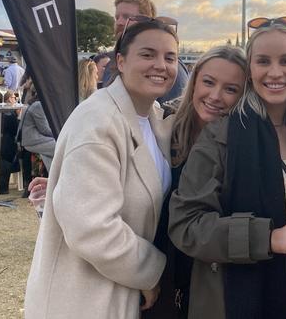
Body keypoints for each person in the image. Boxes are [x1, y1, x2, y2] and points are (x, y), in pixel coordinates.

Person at [168, 17, 286, 319]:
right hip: (234, 298)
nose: (275, 72)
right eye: (263, 61)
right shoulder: (221, 134)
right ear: (249, 71)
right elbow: (186, 225)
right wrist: (268, 238)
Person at [24, 19, 179, 318]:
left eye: (169, 57)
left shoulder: (152, 117)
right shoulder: (98, 120)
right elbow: (91, 226)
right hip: (84, 298)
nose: (161, 65)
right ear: (120, 61)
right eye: (148, 54)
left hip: (115, 291)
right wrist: (152, 271)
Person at [143, 45, 246, 319]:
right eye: (209, 82)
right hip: (155, 271)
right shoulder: (163, 128)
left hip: (207, 281)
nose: (215, 96)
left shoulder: (241, 148)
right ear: (195, 80)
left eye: (231, 89)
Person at [103, 0, 189, 101]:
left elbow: (173, 114)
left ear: (147, 22)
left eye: (127, 17)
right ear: (121, 62)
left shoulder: (170, 70)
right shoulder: (112, 62)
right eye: (117, 17)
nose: (119, 22)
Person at [19, 87, 56, 171]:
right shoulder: (38, 105)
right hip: (32, 141)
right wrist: (59, 133)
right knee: (59, 146)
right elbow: (44, 129)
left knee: (51, 151)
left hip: (32, 139)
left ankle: (52, 175)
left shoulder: (34, 104)